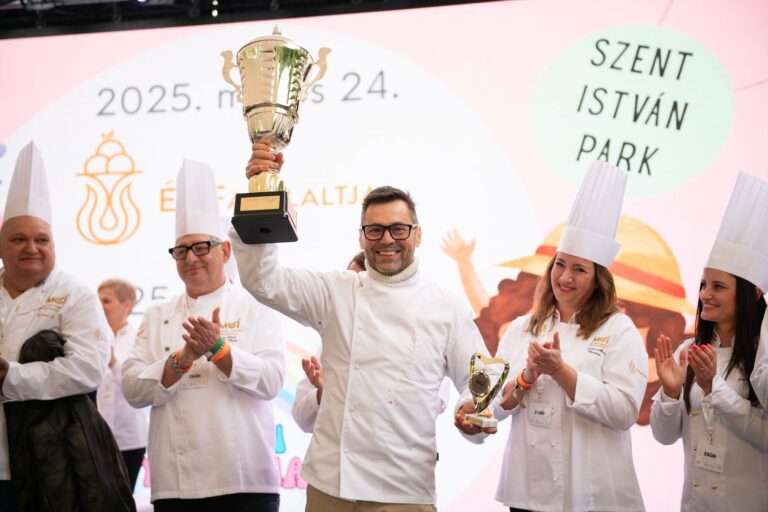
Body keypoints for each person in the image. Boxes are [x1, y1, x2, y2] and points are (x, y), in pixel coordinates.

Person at [232, 143, 493, 512]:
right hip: (330, 486)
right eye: (375, 230)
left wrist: (470, 411)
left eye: (398, 229)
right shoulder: (335, 292)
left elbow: (480, 379)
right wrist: (261, 192)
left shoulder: (446, 307)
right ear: (361, 237)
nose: (386, 239)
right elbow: (264, 280)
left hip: (404, 491)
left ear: (418, 235)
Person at [121, 159, 285, 512]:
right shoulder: (157, 315)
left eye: (201, 247)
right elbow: (132, 390)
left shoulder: (256, 305)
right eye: (181, 251)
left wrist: (218, 349)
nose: (190, 259)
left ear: (224, 251)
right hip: (175, 485)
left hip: (243, 480)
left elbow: (271, 381)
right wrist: (181, 360)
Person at [491, 161, 647, 511]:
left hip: (592, 497)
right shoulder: (522, 329)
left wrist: (562, 372)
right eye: (560, 264)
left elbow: (624, 412)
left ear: (598, 280)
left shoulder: (619, 330)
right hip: (528, 495)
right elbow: (495, 407)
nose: (565, 277)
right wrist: (526, 378)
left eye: (579, 269)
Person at [0, 142, 116, 510]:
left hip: (49, 466)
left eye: (41, 240)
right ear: (1, 246)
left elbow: (89, 368)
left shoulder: (74, 293)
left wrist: (12, 377)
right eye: (18, 239)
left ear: (54, 245)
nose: (31, 248)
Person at [651, 172, 768, 511]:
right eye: (703, 285)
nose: (704, 295)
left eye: (718, 286)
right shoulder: (689, 352)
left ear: (752, 293)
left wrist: (713, 386)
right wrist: (670, 392)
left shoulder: (762, 359)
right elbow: (663, 436)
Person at [96, 278, 148, 491]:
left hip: (129, 437)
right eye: (98, 301)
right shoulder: (93, 336)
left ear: (126, 305)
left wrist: (113, 362)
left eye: (106, 301)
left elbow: (139, 382)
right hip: (95, 434)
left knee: (123, 497)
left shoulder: (140, 337)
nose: (100, 306)